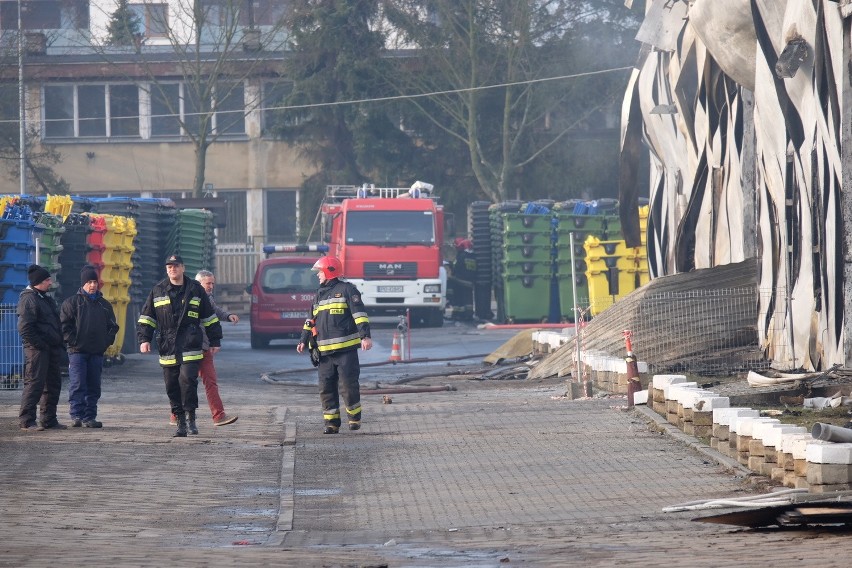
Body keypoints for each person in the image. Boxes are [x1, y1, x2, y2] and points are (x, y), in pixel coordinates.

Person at [138, 254, 223, 437]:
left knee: (188, 381)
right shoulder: (158, 290)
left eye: (176, 266)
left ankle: (191, 418)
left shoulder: (195, 290)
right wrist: (144, 339)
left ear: (183, 268)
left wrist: (215, 340)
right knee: (171, 385)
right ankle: (180, 422)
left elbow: (209, 317)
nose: (172, 269)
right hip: (167, 344)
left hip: (190, 342)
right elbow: (147, 317)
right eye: (169, 266)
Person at [296, 256, 372, 434]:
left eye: (320, 272)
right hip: (324, 353)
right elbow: (310, 321)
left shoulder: (347, 290)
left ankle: (354, 419)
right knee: (326, 388)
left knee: (348, 385)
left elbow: (359, 314)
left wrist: (365, 336)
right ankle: (331, 423)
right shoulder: (318, 295)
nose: (318, 276)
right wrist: (303, 340)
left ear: (329, 271)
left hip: (346, 351)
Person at [168, 270, 239, 427]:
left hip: (204, 347)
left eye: (213, 283)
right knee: (184, 381)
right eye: (208, 283)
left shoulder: (208, 298)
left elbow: (215, 311)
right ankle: (176, 415)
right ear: (199, 283)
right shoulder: (188, 297)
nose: (211, 286)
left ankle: (218, 416)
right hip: (188, 347)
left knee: (210, 381)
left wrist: (228, 316)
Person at [60, 265, 119, 428]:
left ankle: (90, 417)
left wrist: (105, 343)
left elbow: (113, 327)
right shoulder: (71, 303)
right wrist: (73, 342)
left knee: (94, 386)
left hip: (96, 353)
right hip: (77, 352)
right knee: (78, 384)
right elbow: (65, 326)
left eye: (95, 282)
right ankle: (76, 416)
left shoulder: (105, 305)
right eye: (89, 282)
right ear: (83, 284)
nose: (92, 285)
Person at [17, 264, 66, 431]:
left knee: (53, 384)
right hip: (37, 350)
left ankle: (48, 419)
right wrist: (40, 345)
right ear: (38, 282)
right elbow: (25, 328)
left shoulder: (44, 298)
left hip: (51, 349)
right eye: (47, 280)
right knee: (34, 384)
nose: (50, 282)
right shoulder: (29, 299)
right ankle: (27, 420)